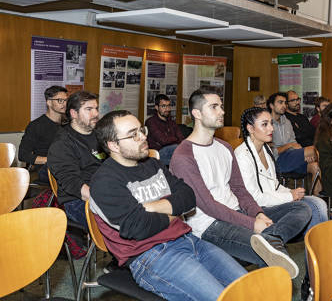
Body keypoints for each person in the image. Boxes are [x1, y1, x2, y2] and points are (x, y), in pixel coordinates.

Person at [90, 110, 246, 301]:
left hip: (190, 240)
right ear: (113, 145)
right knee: (222, 298)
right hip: (152, 256)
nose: (143, 137)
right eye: (133, 134)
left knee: (250, 288)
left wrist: (153, 207)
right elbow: (138, 227)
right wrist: (174, 210)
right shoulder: (104, 182)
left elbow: (188, 197)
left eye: (141, 130)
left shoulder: (152, 164)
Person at [170, 89, 312, 279]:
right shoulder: (184, 156)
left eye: (221, 106)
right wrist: (252, 223)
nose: (222, 111)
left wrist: (258, 213)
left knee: (303, 209)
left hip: (236, 211)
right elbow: (209, 205)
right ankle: (270, 245)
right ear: (196, 113)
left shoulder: (225, 147)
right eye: (214, 107)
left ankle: (273, 238)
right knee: (266, 250)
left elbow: (239, 189)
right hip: (209, 225)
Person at [235, 106, 328, 232]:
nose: (271, 128)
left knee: (319, 203)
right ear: (250, 128)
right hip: (260, 208)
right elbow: (253, 198)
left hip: (274, 200)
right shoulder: (242, 155)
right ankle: (277, 240)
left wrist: (292, 192)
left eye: (271, 123)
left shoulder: (266, 149)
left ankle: (314, 248)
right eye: (265, 124)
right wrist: (290, 196)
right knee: (310, 208)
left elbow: (275, 185)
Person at [48, 91, 104, 229]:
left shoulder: (100, 135)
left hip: (105, 191)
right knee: (130, 221)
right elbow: (73, 183)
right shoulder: (62, 143)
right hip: (78, 200)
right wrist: (108, 200)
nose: (95, 114)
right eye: (89, 109)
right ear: (74, 113)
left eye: (96, 108)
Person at [19, 85, 67, 183]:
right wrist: (50, 160)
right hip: (46, 169)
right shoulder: (36, 126)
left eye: (66, 100)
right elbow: (23, 155)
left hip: (66, 165)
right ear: (49, 102)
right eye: (60, 100)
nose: (64, 104)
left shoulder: (68, 124)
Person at [267, 92, 320, 179]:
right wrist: (289, 146)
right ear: (271, 105)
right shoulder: (266, 124)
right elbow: (270, 152)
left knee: (315, 167)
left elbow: (293, 142)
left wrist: (304, 154)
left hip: (291, 158)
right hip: (276, 161)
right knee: (315, 149)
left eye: (285, 103)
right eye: (280, 102)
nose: (284, 105)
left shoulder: (287, 122)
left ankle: (317, 193)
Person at [145, 94, 184, 165]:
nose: (167, 109)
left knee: (182, 158)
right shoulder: (151, 122)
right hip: (157, 154)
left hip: (172, 152)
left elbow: (181, 138)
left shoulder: (171, 122)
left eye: (168, 105)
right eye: (163, 106)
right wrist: (176, 139)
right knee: (179, 148)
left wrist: (174, 140)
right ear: (156, 107)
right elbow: (163, 140)